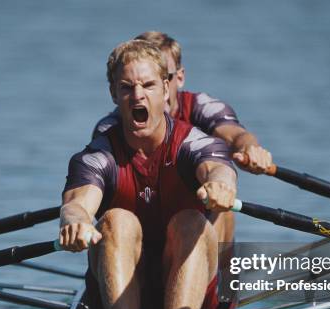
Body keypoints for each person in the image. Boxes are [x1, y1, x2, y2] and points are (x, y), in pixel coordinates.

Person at [59, 40, 237, 309]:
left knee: (191, 221)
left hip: (190, 295)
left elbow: (218, 168)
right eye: (126, 87)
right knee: (116, 221)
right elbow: (77, 204)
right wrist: (76, 222)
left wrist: (220, 186)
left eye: (148, 85)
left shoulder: (194, 143)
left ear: (166, 88)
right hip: (121, 292)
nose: (137, 95)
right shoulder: (97, 156)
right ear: (114, 94)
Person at [93, 31, 272, 243]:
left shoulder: (203, 108)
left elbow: (235, 136)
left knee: (224, 208)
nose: (144, 93)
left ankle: (221, 274)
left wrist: (250, 149)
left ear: (177, 78)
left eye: (160, 79)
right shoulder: (111, 128)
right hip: (137, 228)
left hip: (193, 222)